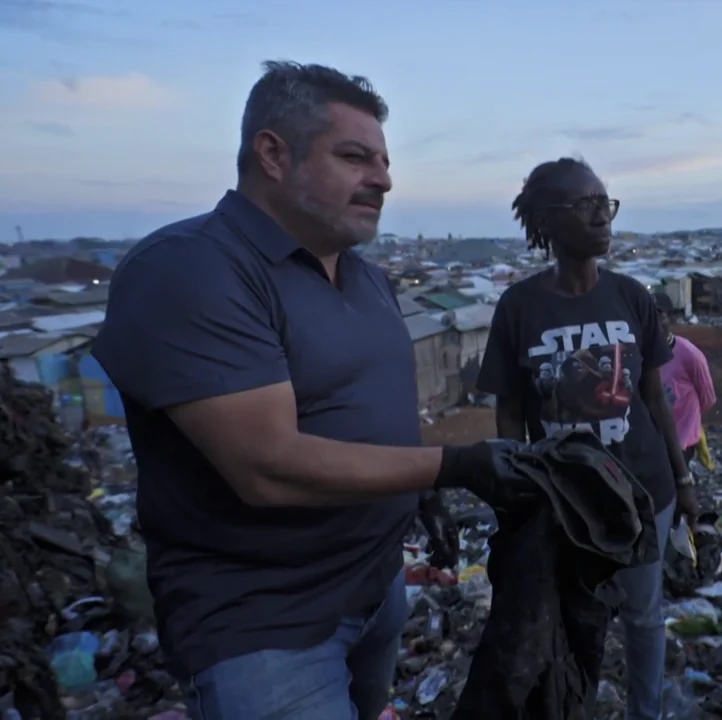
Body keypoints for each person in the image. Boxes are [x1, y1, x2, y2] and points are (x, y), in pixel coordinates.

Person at [91, 61, 533, 720]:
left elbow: (366, 414)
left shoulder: (366, 278)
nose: (383, 178)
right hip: (268, 624)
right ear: (272, 153)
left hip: (379, 583)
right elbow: (267, 468)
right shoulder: (193, 270)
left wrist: (419, 495)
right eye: (354, 157)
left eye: (383, 161)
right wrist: (459, 466)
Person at [477, 157, 700, 720]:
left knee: (644, 617)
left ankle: (642, 713)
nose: (603, 216)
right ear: (547, 223)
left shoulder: (631, 297)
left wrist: (684, 478)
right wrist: (515, 495)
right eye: (586, 205)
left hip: (645, 492)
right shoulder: (519, 307)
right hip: (564, 502)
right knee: (570, 617)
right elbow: (510, 414)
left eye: (606, 202)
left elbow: (656, 400)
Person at [652, 292, 717, 466]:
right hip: (656, 439)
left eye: (660, 316)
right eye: (649, 317)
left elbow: (707, 398)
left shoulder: (689, 354)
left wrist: (689, 420)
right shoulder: (643, 354)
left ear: (671, 318)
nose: (655, 323)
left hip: (683, 440)